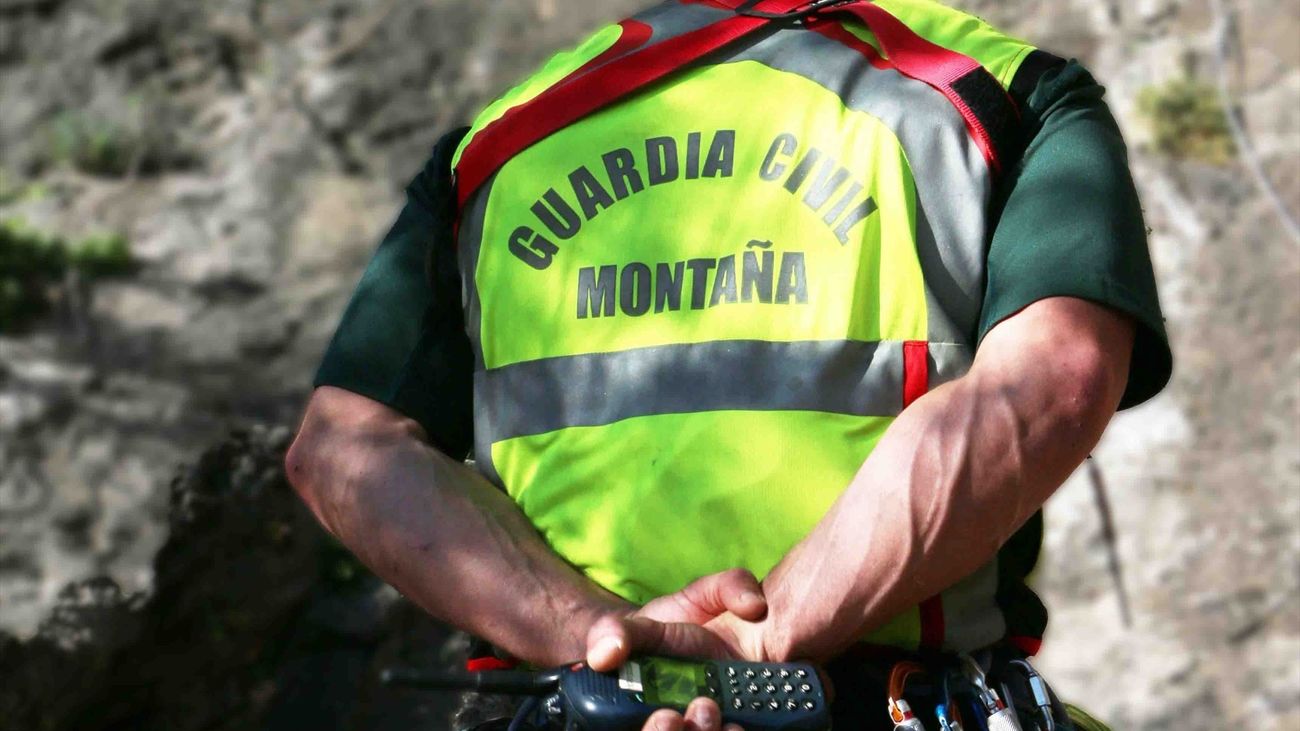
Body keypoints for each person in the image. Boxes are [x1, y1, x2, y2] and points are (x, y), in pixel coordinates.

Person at [286, 0, 1172, 728]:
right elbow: (1055, 379)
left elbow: (342, 447)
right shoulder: (1002, 94)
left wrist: (593, 634)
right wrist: (764, 637)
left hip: (588, 706)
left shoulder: (497, 147)